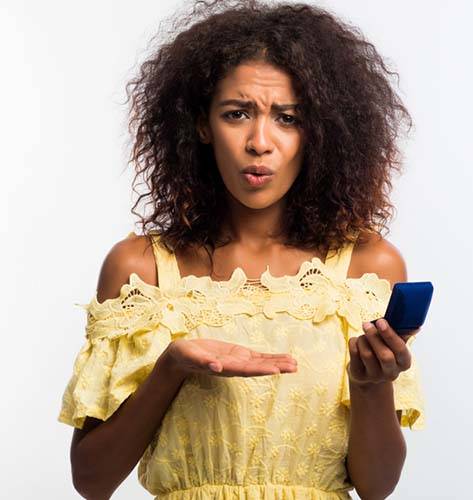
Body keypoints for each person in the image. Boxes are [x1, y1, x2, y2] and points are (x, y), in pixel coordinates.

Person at [57, 1, 426, 498]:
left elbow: (377, 487)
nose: (259, 142)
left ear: (318, 132)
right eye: (237, 114)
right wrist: (173, 367)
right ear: (203, 126)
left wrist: (370, 385)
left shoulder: (367, 266)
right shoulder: (141, 269)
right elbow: (92, 481)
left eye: (288, 119)